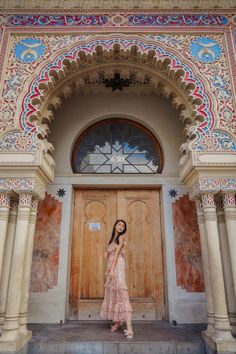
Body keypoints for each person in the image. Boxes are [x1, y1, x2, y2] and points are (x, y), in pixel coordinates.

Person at [100, 219, 133, 339]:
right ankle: (118, 322)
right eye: (119, 224)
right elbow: (111, 250)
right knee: (114, 292)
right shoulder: (113, 239)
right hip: (112, 265)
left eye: (123, 226)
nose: (121, 227)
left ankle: (129, 329)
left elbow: (118, 253)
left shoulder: (121, 237)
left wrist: (112, 268)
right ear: (114, 226)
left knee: (121, 292)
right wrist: (106, 252)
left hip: (117, 265)